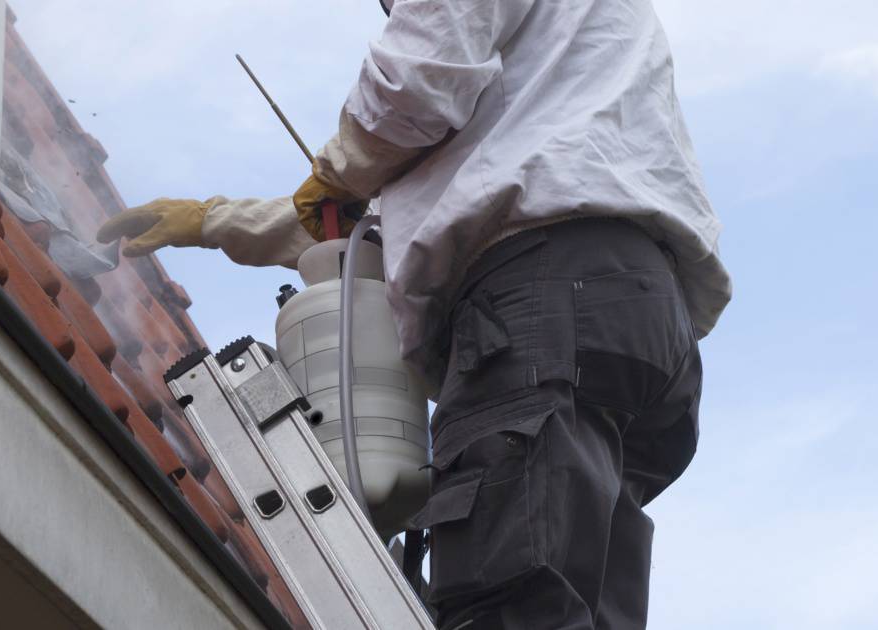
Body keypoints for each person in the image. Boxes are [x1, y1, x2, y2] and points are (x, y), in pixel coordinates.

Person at [98, 0, 731, 627]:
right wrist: (214, 220)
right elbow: (365, 228)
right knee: (578, 598)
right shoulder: (570, 65)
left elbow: (414, 80)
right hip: (641, 321)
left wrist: (339, 170)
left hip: (542, 303)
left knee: (511, 599)